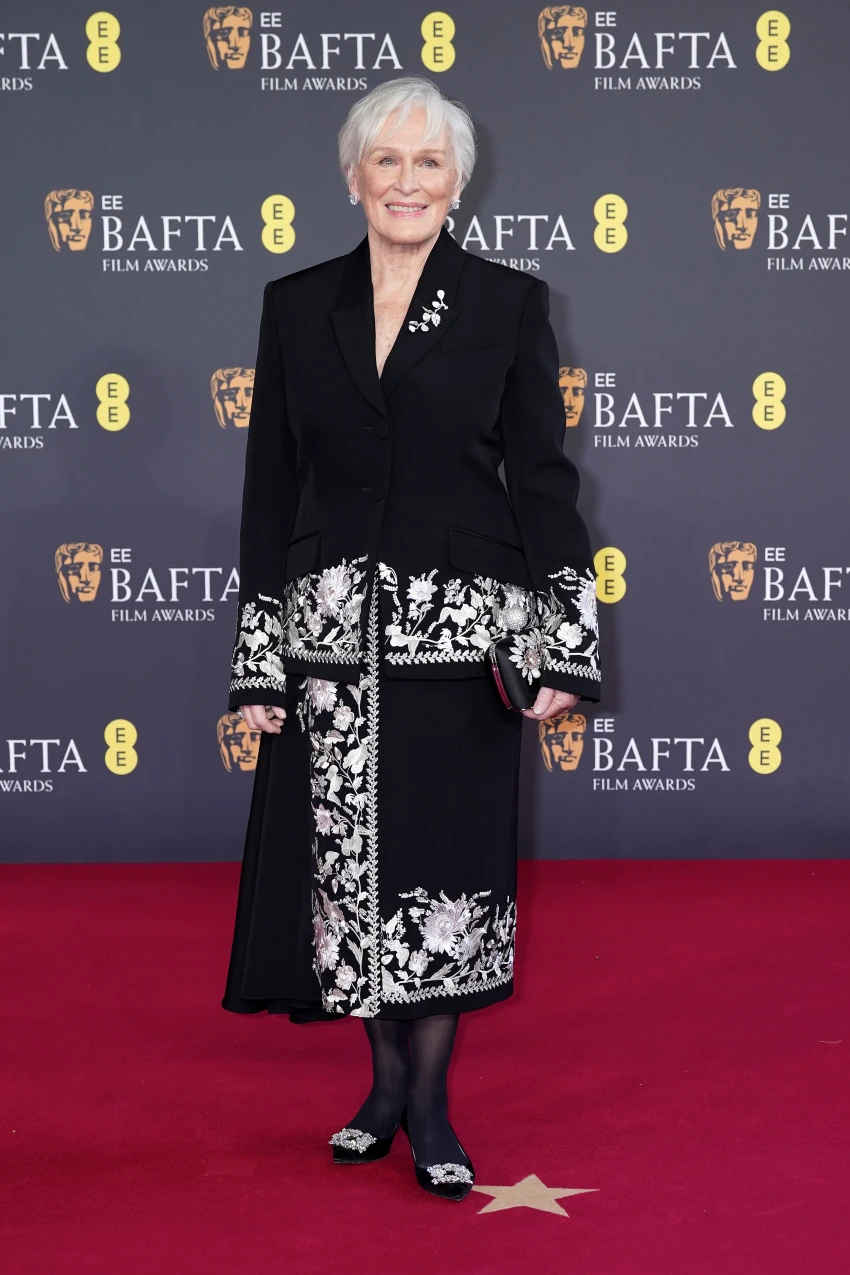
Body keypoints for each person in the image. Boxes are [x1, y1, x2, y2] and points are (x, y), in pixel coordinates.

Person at [222, 75, 602, 1202]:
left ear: (457, 182)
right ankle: (382, 1088)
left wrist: (563, 643)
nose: (405, 181)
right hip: (331, 642)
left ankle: (428, 1103)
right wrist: (260, 656)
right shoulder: (297, 304)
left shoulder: (507, 304)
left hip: (461, 643)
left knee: (441, 871)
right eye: (384, 160)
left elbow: (542, 483)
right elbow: (270, 487)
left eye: (427, 162)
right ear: (353, 177)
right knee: (352, 874)